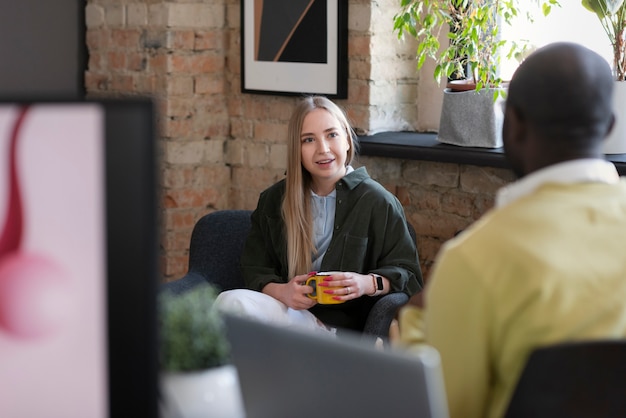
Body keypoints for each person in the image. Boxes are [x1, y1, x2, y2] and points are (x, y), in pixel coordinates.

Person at [397, 42, 626, 418]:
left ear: (513, 125)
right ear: (610, 125)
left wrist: (415, 322)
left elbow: (441, 408)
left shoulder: (473, 260)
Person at [216, 96, 422, 334]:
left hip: (338, 333)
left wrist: (365, 283)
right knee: (229, 302)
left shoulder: (378, 202)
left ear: (346, 139)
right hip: (288, 316)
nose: (323, 149)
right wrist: (284, 292)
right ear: (298, 149)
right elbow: (254, 269)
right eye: (309, 140)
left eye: (332, 134)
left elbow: (410, 275)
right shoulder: (274, 200)